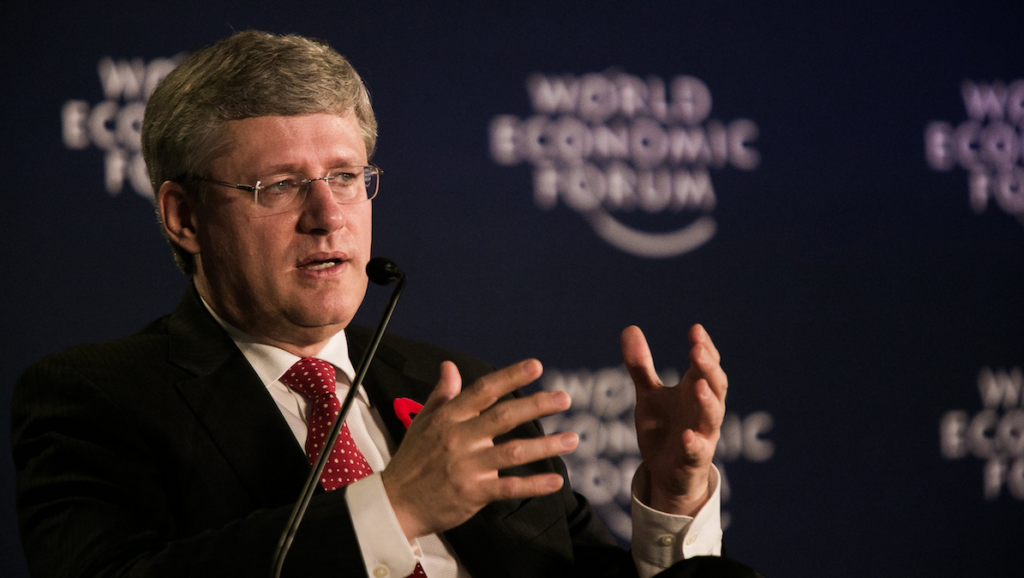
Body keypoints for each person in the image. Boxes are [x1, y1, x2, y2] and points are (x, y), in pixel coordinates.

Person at [11, 31, 758, 578]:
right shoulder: (96, 400)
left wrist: (671, 498)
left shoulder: (455, 386)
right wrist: (392, 508)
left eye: (344, 177)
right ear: (183, 217)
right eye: (278, 185)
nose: (327, 216)